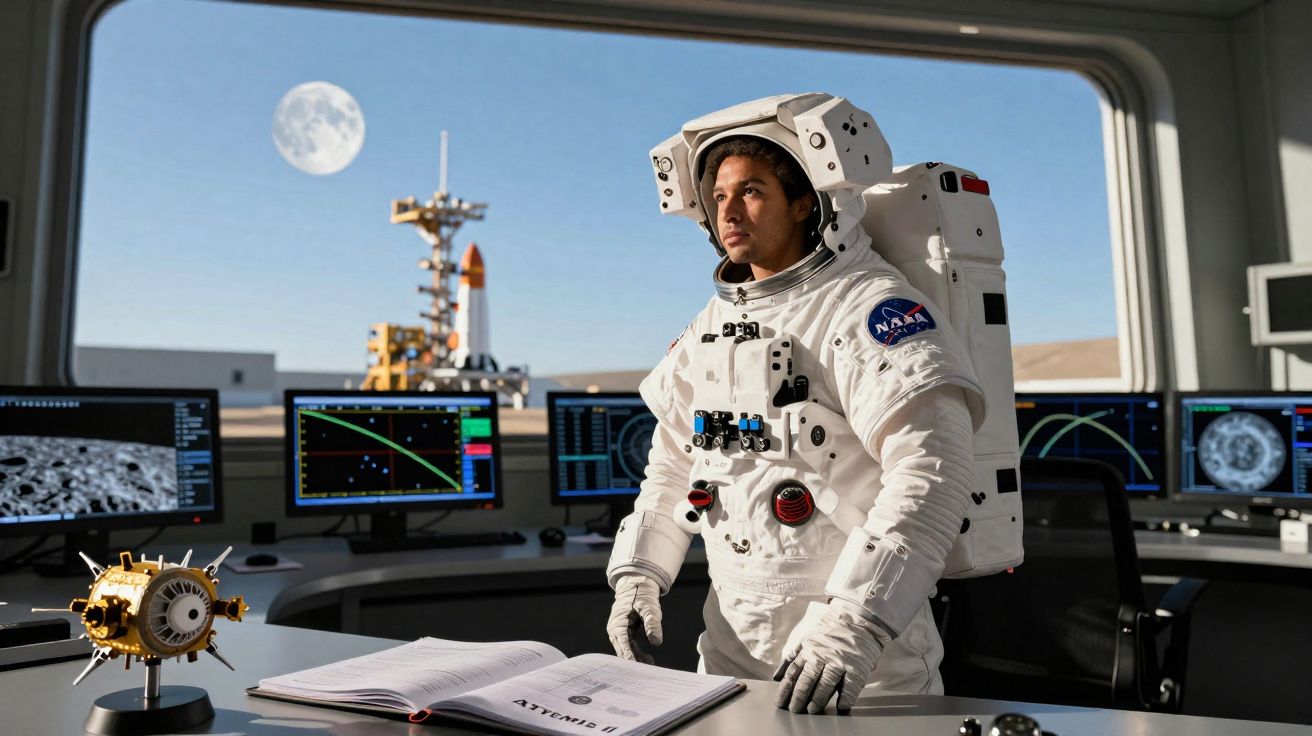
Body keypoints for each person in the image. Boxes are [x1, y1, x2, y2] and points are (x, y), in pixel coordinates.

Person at [605, 93, 1001, 715]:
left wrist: (855, 625)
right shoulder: (710, 325)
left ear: (803, 203)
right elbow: (677, 465)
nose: (728, 210)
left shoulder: (868, 308)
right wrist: (638, 575)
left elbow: (932, 474)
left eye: (752, 191)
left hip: (857, 661)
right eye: (717, 197)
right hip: (733, 647)